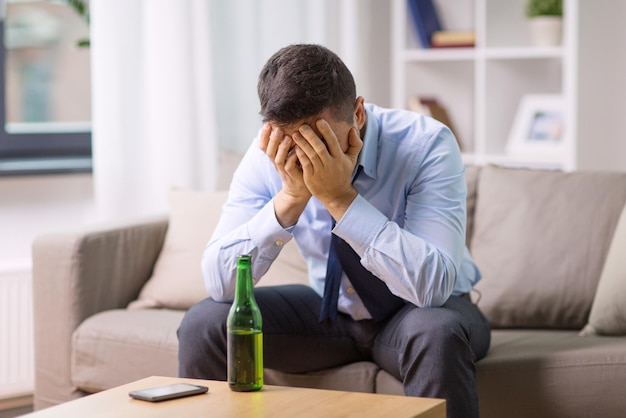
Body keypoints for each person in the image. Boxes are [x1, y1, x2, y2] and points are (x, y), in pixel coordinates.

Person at [178, 44, 491, 418]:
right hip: (330, 314)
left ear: (357, 113)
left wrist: (341, 199)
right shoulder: (268, 153)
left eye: (322, 140)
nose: (309, 157)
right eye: (296, 142)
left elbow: (433, 286)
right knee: (205, 322)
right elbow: (220, 283)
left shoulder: (425, 144)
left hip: (422, 312)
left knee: (436, 334)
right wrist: (290, 199)